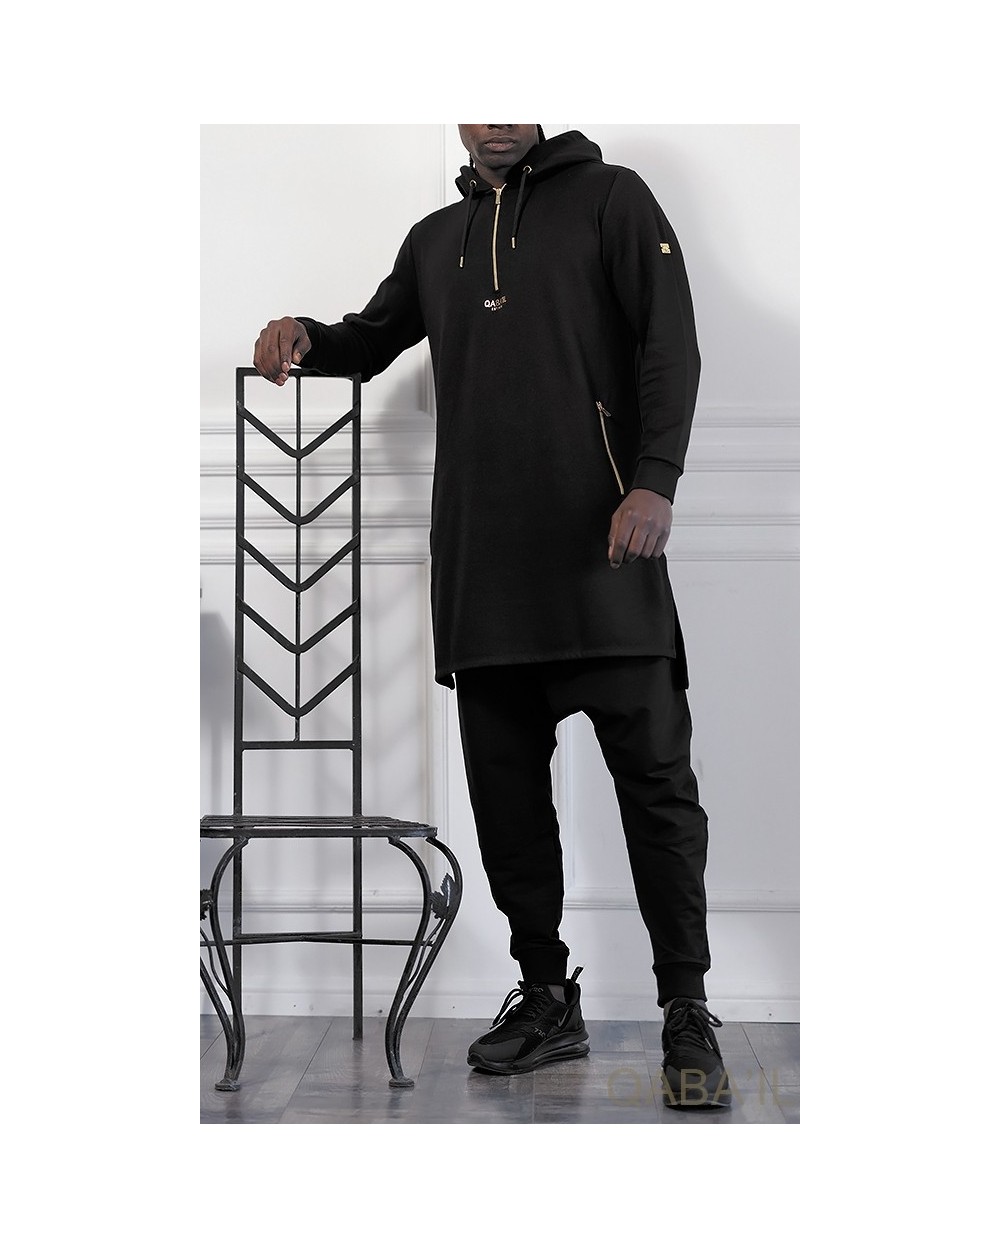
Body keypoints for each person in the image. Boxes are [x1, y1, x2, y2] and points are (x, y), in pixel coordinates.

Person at [254, 124, 730, 1108]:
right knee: (508, 803)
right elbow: (368, 341)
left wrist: (655, 479)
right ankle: (547, 994)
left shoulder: (613, 198)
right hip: (485, 569)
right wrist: (303, 333)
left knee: (658, 793)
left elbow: (669, 342)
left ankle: (686, 1008)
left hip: (605, 553)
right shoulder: (438, 240)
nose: (498, 116)